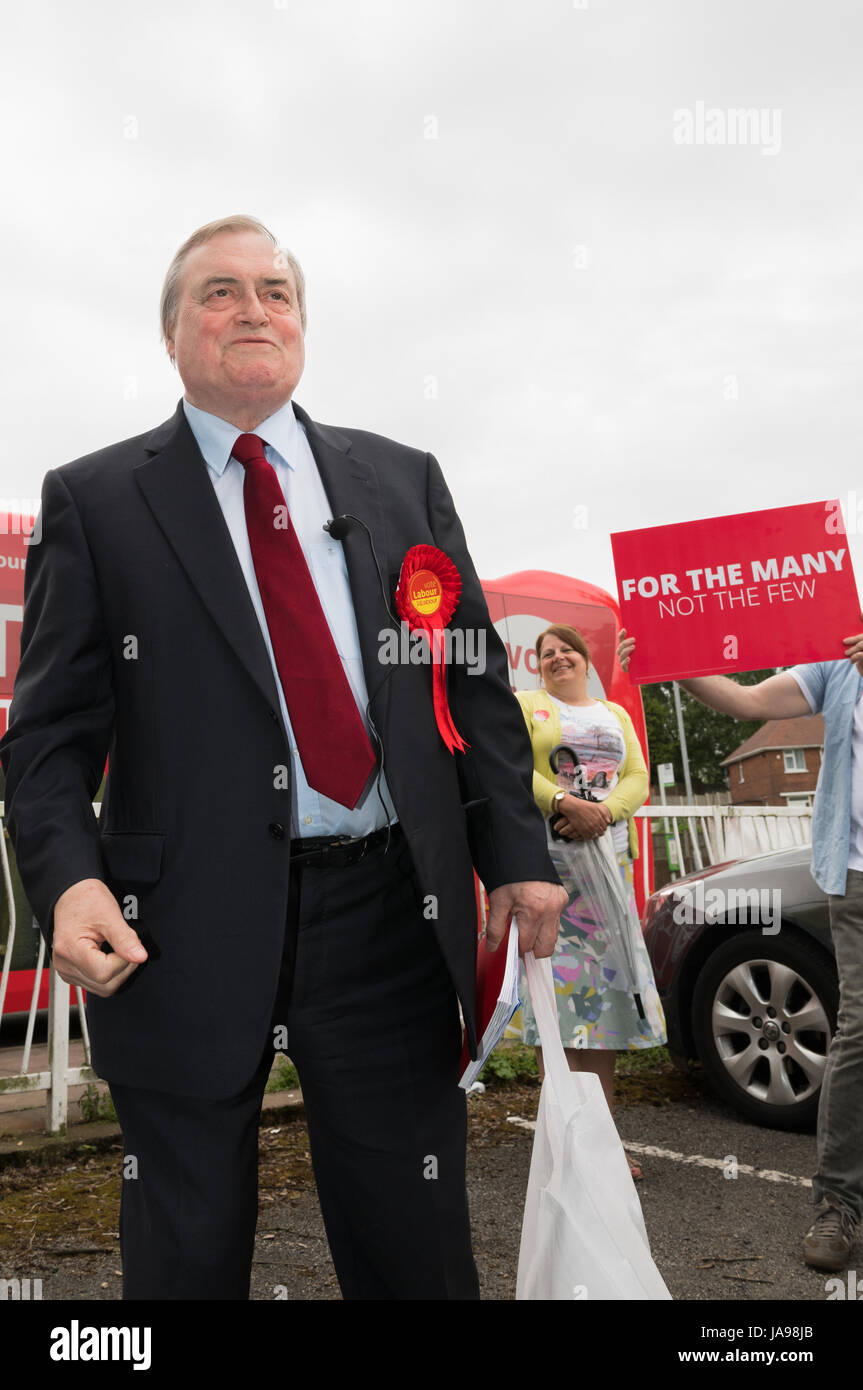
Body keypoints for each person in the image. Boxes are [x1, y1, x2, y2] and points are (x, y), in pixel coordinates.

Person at [0, 215, 567, 1301]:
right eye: (218, 292)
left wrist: (519, 850)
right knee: (184, 1247)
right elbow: (49, 735)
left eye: (275, 289)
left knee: (415, 1240)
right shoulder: (98, 499)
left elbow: (473, 683)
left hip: (388, 914)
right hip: (174, 927)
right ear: (171, 333)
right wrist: (70, 879)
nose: (253, 307)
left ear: (301, 322)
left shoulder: (400, 479)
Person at [618, 623, 863, 1271]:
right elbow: (749, 702)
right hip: (857, 878)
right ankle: (838, 1203)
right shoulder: (839, 666)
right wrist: (667, 658)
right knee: (857, 1035)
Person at [513, 624, 667, 1181]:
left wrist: (602, 813)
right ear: (538, 666)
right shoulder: (527, 705)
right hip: (548, 877)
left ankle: (602, 1144)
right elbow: (507, 763)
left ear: (583, 659)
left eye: (566, 650)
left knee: (602, 1012)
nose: (557, 658)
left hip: (605, 875)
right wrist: (562, 800)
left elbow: (637, 775)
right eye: (546, 653)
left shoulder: (612, 713)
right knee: (554, 1009)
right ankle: (563, 1145)